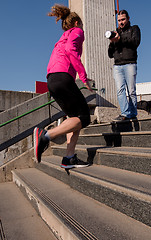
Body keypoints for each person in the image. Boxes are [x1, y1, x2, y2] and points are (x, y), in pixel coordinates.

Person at [33, 4, 94, 169]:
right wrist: (84, 76)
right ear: (76, 23)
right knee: (84, 118)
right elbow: (71, 51)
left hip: (52, 79)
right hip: (62, 77)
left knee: (74, 119)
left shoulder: (61, 38)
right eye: (81, 24)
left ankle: (69, 157)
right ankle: (45, 135)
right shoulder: (77, 32)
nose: (83, 28)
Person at [108, 10, 141, 121]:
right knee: (120, 90)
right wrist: (113, 42)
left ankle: (133, 113)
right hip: (117, 65)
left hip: (130, 64)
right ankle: (125, 113)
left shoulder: (134, 29)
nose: (121, 22)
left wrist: (120, 39)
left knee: (131, 90)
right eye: (119, 20)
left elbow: (135, 42)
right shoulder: (115, 32)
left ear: (128, 19)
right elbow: (110, 54)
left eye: (123, 19)